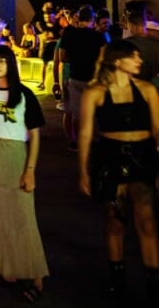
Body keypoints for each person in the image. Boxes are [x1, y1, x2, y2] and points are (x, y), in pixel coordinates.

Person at [77, 39, 159, 302]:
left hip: (143, 156)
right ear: (117, 60)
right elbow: (85, 133)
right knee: (115, 220)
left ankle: (154, 280)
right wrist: (83, 171)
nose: (140, 60)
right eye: (134, 56)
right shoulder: (95, 92)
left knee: (147, 220)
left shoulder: (147, 89)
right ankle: (117, 279)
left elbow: (158, 129)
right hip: (111, 156)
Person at [0, 45, 49, 300]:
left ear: (10, 64)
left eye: (2, 61)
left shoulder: (24, 94)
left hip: (14, 155)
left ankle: (35, 277)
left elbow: (35, 135)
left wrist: (30, 170)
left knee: (22, 217)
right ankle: (2, 271)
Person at [59, 5, 107, 149]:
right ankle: (96, 141)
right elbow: (103, 59)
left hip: (75, 77)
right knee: (95, 112)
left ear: (78, 18)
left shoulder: (69, 34)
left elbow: (62, 57)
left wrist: (75, 59)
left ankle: (80, 141)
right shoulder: (98, 36)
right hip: (93, 79)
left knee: (77, 113)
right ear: (92, 20)